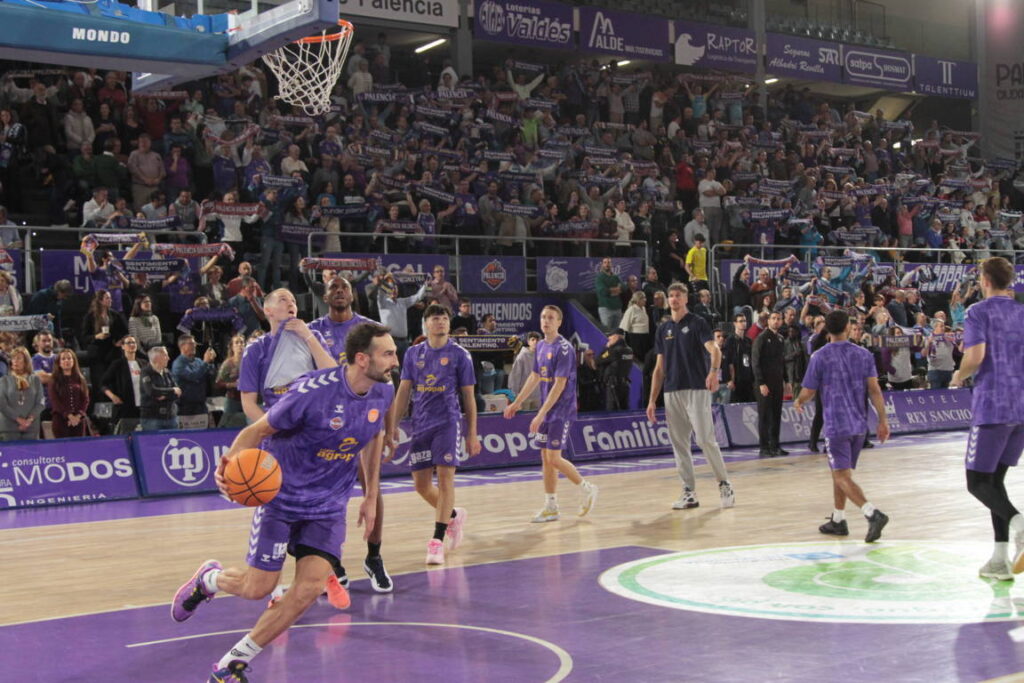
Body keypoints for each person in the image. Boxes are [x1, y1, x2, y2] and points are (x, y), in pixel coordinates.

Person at [170, 323, 397, 682]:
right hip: (282, 498)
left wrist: (370, 496)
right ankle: (208, 580)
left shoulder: (384, 392)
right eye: (387, 353)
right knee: (257, 588)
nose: (394, 361)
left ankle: (232, 663)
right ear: (360, 358)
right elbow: (255, 431)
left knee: (307, 589)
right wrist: (227, 466)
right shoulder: (312, 391)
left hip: (328, 505)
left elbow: (374, 437)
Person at [308, 275, 392, 593]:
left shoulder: (370, 328)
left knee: (373, 488)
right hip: (326, 423)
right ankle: (333, 561)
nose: (340, 291)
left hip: (364, 418)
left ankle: (374, 556)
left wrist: (390, 424)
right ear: (325, 295)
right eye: (333, 288)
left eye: (344, 287)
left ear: (353, 294)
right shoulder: (314, 331)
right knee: (329, 495)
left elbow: (386, 371)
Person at [950, 257, 1024, 579]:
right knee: (995, 482)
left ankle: (1020, 525)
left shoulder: (977, 312)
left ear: (985, 280)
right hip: (1021, 408)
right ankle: (999, 560)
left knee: (977, 482)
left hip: (993, 405)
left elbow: (976, 356)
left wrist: (958, 375)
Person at [389, 304, 480, 564]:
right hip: (421, 423)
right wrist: (393, 426)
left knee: (445, 479)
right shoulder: (413, 354)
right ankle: (453, 516)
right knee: (421, 485)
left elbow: (469, 398)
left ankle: (437, 540)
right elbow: (404, 391)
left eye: (443, 318)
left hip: (448, 422)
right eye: (434, 318)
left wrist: (471, 433)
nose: (439, 322)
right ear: (426, 324)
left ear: (448, 324)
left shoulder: (460, 355)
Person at [794, 310, 891, 543]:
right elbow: (875, 390)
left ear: (826, 329)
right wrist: (883, 420)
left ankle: (872, 513)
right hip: (859, 425)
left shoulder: (819, 357)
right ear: (848, 327)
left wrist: (798, 401)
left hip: (837, 425)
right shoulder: (864, 354)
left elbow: (809, 391)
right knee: (840, 473)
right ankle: (838, 520)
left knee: (841, 476)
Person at [503, 305, 598, 522]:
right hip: (547, 409)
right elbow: (534, 377)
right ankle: (551, 506)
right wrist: (517, 402)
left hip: (561, 409)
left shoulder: (564, 348)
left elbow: (559, 385)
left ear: (559, 322)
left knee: (554, 457)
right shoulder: (541, 346)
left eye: (551, 318)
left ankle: (587, 488)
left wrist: (540, 414)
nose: (546, 321)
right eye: (543, 317)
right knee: (546, 458)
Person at [646, 284, 734, 510]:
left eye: (678, 295)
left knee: (705, 438)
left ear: (685, 299)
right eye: (671, 296)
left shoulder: (698, 323)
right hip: (672, 390)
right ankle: (689, 491)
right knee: (679, 444)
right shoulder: (663, 328)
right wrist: (651, 400)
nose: (674, 299)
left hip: (696, 388)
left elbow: (715, 350)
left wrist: (713, 373)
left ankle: (724, 484)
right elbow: (659, 368)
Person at [752, 311, 787, 458]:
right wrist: (761, 382)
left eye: (779, 319)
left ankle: (775, 445)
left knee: (776, 415)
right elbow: (755, 362)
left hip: (777, 383)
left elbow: (782, 362)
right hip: (764, 384)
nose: (776, 321)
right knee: (765, 416)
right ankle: (764, 447)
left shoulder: (780, 338)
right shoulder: (761, 338)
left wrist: (786, 380)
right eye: (773, 319)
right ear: (768, 321)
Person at [369, 272, 427, 360]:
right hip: (389, 341)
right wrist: (385, 281)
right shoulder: (383, 303)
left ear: (398, 291)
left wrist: (426, 284)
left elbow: (418, 297)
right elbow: (381, 293)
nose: (393, 290)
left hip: (404, 342)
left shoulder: (402, 302)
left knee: (406, 368)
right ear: (387, 290)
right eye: (391, 288)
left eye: (395, 288)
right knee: (392, 369)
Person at [100, 335, 148, 434]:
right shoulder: (117, 364)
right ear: (122, 346)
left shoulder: (144, 363)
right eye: (128, 343)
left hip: (143, 407)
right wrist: (113, 396)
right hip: (126, 407)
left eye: (134, 342)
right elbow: (103, 383)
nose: (132, 345)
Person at [171, 334, 218, 430]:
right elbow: (193, 376)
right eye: (191, 343)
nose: (195, 346)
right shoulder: (178, 363)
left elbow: (212, 374)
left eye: (195, 343)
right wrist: (205, 362)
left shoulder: (198, 361)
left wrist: (211, 361)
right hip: (185, 408)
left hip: (200, 406)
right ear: (182, 346)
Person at [0, 346, 44, 441]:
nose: (15, 361)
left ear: (26, 361)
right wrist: (19, 420)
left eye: (19, 358)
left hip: (31, 429)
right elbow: (2, 404)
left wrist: (29, 420)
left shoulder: (35, 380)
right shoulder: (3, 380)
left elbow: (41, 402)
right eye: (13, 358)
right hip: (9, 430)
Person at [49, 349, 90, 438]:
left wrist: (78, 416)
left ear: (74, 361)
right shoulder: (54, 380)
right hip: (60, 420)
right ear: (59, 363)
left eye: (69, 358)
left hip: (78, 421)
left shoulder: (81, 379)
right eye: (63, 359)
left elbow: (85, 399)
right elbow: (55, 401)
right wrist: (69, 416)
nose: (66, 361)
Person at [140, 346, 180, 430]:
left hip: (171, 417)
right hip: (152, 418)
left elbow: (178, 392)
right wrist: (171, 391)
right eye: (165, 355)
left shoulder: (167, 372)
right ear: (156, 358)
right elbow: (151, 391)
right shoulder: (146, 372)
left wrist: (164, 394)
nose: (168, 358)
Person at [597, 329, 634, 411]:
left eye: (610, 336)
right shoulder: (629, 350)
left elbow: (598, 360)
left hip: (613, 385)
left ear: (616, 336)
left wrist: (606, 347)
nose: (609, 338)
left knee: (612, 410)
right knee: (624, 409)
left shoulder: (613, 350)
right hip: (625, 384)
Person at [216, 334, 248, 428]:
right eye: (236, 343)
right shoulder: (227, 364)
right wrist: (231, 385)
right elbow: (218, 383)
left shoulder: (249, 361)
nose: (239, 345)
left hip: (247, 397)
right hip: (232, 398)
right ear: (232, 347)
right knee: (225, 424)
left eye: (241, 342)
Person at [724, 314, 755, 403]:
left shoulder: (748, 341)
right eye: (741, 321)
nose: (743, 323)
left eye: (745, 321)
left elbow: (751, 360)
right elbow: (727, 361)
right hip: (736, 379)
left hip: (748, 379)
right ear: (735, 323)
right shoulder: (730, 340)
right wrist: (729, 379)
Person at [508, 332, 541, 411]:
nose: (535, 342)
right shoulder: (522, 356)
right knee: (523, 420)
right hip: (523, 395)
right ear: (528, 341)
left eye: (537, 340)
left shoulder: (542, 355)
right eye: (533, 340)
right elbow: (515, 376)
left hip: (538, 395)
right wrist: (514, 395)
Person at [595, 257, 623, 331]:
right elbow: (603, 291)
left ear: (611, 264)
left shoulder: (615, 277)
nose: (607, 264)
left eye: (609, 262)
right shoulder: (600, 278)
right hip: (606, 308)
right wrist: (616, 290)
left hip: (617, 308)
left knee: (617, 333)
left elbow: (623, 287)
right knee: (607, 332)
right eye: (605, 262)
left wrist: (610, 290)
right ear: (602, 265)